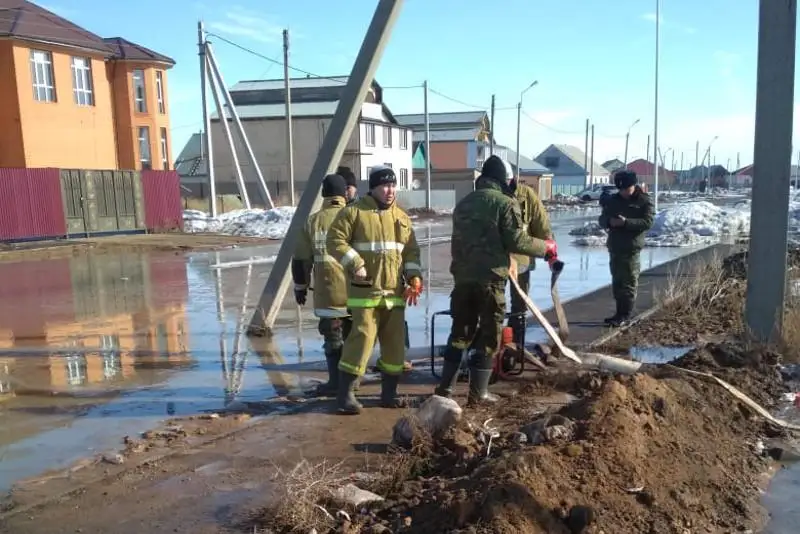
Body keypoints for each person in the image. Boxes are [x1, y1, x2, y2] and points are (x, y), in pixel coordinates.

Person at [434, 155, 557, 405]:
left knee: (460, 333)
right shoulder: (505, 203)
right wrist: (545, 248)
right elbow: (517, 241)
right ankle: (478, 394)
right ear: (504, 180)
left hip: (463, 278)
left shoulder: (464, 204)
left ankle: (444, 390)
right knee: (489, 336)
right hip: (490, 280)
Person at [327, 165, 423, 415]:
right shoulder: (354, 212)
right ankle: (345, 395)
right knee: (360, 343)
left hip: (394, 296)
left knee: (395, 348)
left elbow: (411, 253)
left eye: (392, 185)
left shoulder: (402, 217)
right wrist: (355, 263)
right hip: (366, 295)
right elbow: (334, 241)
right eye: (384, 186)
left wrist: (414, 278)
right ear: (373, 188)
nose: (390, 190)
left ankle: (389, 395)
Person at [291, 174, 351, 396]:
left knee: (333, 338)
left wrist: (301, 288)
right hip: (358, 292)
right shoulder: (356, 217)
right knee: (354, 338)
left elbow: (301, 261)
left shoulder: (313, 222)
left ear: (324, 194)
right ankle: (351, 384)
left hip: (328, 292)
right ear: (345, 194)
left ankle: (335, 383)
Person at [598, 169, 654, 327]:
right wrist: (609, 222)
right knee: (617, 281)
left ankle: (625, 315)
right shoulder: (613, 200)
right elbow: (602, 219)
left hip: (631, 248)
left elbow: (647, 222)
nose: (623, 192)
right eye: (620, 189)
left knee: (628, 281)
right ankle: (618, 313)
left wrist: (626, 223)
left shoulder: (643, 201)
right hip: (615, 246)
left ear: (633, 185)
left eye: (626, 188)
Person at [507, 177, 552, 350]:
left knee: (519, 304)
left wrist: (549, 250)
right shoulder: (491, 194)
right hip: (494, 260)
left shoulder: (526, 195)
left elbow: (541, 224)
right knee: (492, 303)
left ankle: (516, 345)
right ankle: (492, 345)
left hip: (521, 259)